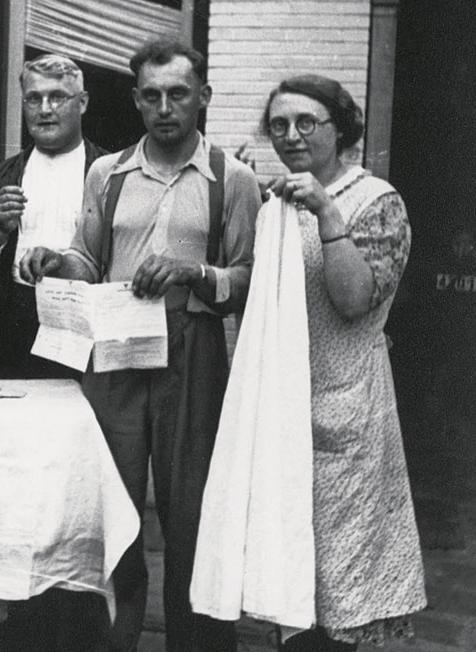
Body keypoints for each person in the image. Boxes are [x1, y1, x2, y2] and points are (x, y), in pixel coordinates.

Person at [20, 39, 261, 652]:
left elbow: (249, 279)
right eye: (151, 95)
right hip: (116, 349)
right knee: (113, 512)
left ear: (202, 97)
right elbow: (87, 256)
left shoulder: (232, 180)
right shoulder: (109, 173)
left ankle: (197, 644)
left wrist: (194, 272)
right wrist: (57, 261)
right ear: (134, 100)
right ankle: (111, 641)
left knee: (191, 518)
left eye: (178, 94)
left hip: (192, 352)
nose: (164, 108)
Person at [258, 74, 426, 651]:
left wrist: (328, 213)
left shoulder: (377, 201)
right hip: (286, 406)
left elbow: (354, 301)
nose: (291, 135)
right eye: (279, 125)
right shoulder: (277, 200)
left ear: (341, 127)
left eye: (307, 122)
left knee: (344, 576)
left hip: (348, 406)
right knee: (292, 576)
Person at [0, 53, 107, 380]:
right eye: (33, 99)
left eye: (57, 97)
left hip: (84, 324)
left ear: (82, 102)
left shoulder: (110, 172)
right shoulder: (1, 177)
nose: (44, 109)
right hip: (16, 326)